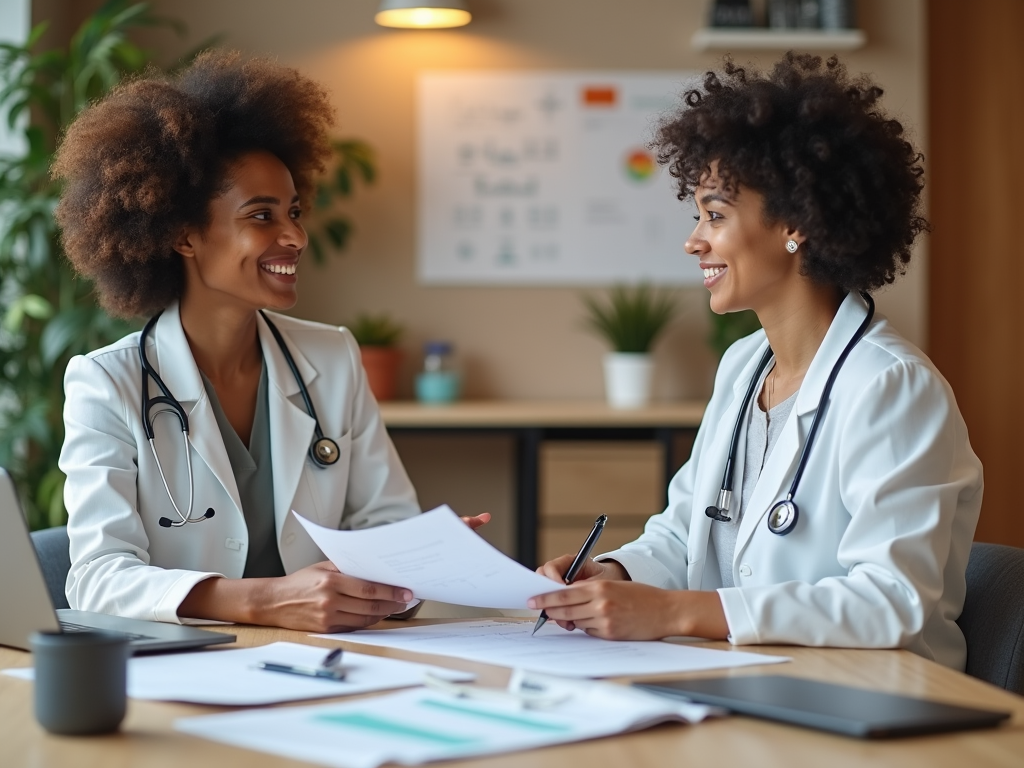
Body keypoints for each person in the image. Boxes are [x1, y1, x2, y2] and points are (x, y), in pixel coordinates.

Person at [530, 54, 982, 670]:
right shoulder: (745, 368)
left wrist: (677, 612)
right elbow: (685, 528)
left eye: (715, 215)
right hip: (752, 681)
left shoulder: (890, 385)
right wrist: (613, 571)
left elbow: (891, 601)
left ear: (795, 222)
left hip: (872, 700)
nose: (694, 240)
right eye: (697, 216)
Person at [54, 51, 487, 633]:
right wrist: (265, 600)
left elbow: (386, 527)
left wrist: (414, 560)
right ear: (183, 234)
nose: (296, 236)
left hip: (328, 660)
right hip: (190, 664)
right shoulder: (108, 383)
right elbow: (98, 577)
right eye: (261, 216)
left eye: (295, 211)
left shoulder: (332, 357)